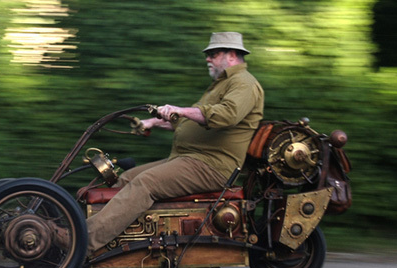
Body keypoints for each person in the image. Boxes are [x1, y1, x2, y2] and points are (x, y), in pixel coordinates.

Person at [84, 32, 264, 252]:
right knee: (126, 178)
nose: (207, 58)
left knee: (146, 183)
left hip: (212, 165)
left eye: (213, 54)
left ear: (233, 55)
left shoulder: (244, 83)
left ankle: (82, 242)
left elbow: (226, 115)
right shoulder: (222, 84)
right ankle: (104, 243)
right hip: (189, 159)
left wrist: (180, 110)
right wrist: (153, 123)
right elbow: (193, 121)